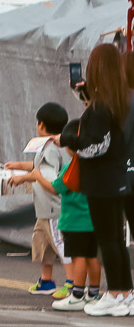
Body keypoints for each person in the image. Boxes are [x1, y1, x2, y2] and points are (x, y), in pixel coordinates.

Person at [58, 44, 133, 316]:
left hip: (101, 181)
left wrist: (66, 139)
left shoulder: (101, 107)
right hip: (116, 179)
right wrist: (83, 93)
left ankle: (114, 294)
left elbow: (95, 146)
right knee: (115, 239)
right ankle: (125, 293)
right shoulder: (117, 101)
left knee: (107, 239)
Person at [3, 102, 73, 295]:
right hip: (45, 209)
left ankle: (72, 282)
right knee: (43, 243)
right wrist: (17, 165)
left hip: (53, 207)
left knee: (59, 243)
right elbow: (38, 165)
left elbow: (47, 177)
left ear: (41, 125)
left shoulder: (50, 148)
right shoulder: (59, 144)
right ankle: (46, 280)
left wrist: (25, 177)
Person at [50, 118, 101, 312]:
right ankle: (93, 293)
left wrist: (35, 176)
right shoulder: (96, 166)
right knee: (92, 257)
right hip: (93, 221)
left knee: (79, 257)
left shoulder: (71, 169)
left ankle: (77, 294)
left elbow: (55, 188)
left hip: (75, 222)